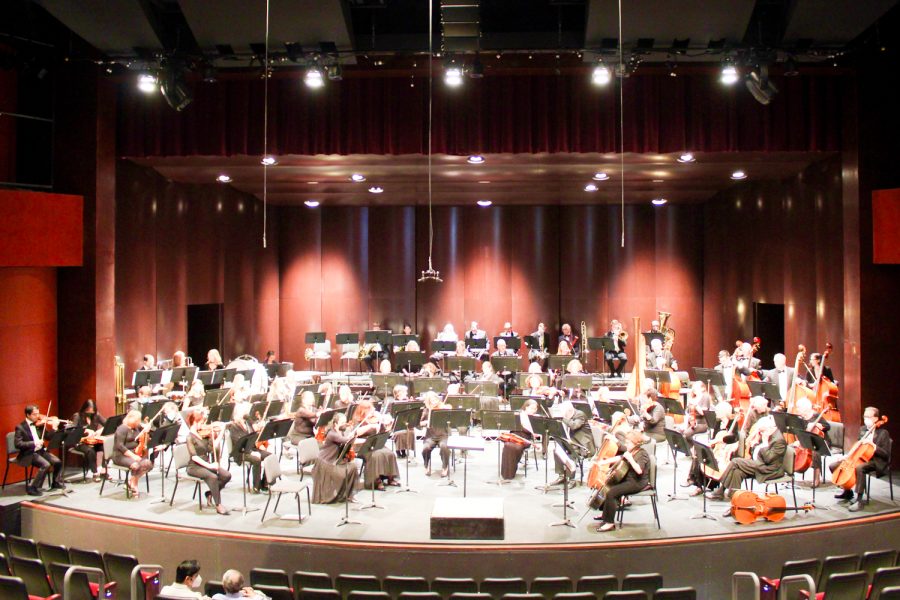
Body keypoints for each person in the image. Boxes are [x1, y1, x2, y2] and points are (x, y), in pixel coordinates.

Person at [708, 415, 786, 505]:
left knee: (735, 461)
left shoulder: (779, 440)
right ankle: (734, 503)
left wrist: (764, 443)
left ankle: (721, 490)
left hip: (769, 469)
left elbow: (768, 459)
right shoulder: (767, 433)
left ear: (769, 429)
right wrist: (755, 444)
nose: (760, 433)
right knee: (737, 472)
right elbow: (756, 451)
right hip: (759, 462)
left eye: (762, 431)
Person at [830, 406, 890, 511]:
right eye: (864, 416)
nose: (866, 419)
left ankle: (859, 501)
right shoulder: (863, 429)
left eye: (868, 417)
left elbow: (886, 454)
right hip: (860, 457)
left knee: (860, 468)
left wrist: (873, 446)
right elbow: (857, 446)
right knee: (833, 466)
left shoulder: (883, 433)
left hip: (875, 461)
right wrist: (847, 456)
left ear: (876, 419)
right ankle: (847, 492)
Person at [592, 430, 651, 532]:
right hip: (629, 478)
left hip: (637, 482)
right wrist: (603, 462)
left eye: (628, 442)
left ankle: (610, 523)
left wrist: (631, 459)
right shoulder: (632, 451)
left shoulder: (642, 454)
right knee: (608, 487)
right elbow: (620, 458)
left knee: (611, 493)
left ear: (636, 443)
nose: (626, 444)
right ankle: (605, 514)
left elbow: (639, 470)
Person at [186, 410, 232, 515]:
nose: (204, 425)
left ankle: (210, 493)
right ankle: (218, 505)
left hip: (206, 464)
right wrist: (210, 465)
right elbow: (194, 457)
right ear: (194, 423)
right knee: (213, 477)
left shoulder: (202, 435)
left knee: (226, 475)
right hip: (194, 467)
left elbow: (214, 446)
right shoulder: (189, 437)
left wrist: (222, 431)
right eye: (201, 423)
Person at [14, 406, 65, 495]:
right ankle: (32, 488)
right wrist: (34, 443)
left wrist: (54, 428)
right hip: (29, 453)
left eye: (38, 413)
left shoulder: (39, 425)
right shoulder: (20, 427)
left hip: (40, 451)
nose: (37, 416)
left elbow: (48, 437)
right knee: (46, 464)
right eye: (34, 414)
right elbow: (18, 444)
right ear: (28, 415)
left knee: (57, 462)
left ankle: (55, 482)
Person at [352, 399, 401, 490]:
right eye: (369, 410)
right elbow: (356, 432)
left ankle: (390, 478)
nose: (372, 412)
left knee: (389, 453)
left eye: (371, 409)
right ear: (363, 411)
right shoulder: (357, 419)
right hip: (363, 446)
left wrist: (388, 424)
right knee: (376, 456)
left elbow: (383, 432)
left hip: (376, 443)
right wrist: (369, 426)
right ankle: (376, 481)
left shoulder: (376, 419)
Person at [311, 412, 359, 504]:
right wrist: (354, 435)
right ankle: (341, 494)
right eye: (342, 423)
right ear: (335, 424)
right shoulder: (332, 434)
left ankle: (348, 494)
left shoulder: (340, 432)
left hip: (333, 461)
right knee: (343, 472)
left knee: (353, 467)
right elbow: (346, 441)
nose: (344, 424)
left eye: (345, 422)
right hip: (325, 463)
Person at [549, 400, 596, 486]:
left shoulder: (580, 415)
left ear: (570, 410)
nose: (563, 415)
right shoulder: (567, 416)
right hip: (571, 442)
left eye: (564, 413)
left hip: (583, 445)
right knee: (557, 450)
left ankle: (571, 479)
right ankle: (562, 475)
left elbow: (574, 426)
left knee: (570, 452)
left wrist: (563, 418)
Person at [227, 403, 271, 493]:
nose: (246, 415)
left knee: (270, 456)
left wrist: (259, 430)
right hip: (241, 452)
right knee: (256, 460)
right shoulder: (233, 427)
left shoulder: (247, 423)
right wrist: (251, 452)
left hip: (251, 448)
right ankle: (256, 486)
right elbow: (239, 442)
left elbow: (254, 436)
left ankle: (264, 483)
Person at [112, 410, 154, 496]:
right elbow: (120, 446)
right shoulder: (122, 429)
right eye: (137, 421)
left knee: (148, 464)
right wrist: (133, 456)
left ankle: (131, 481)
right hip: (120, 455)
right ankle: (134, 485)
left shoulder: (136, 427)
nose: (138, 423)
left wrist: (147, 428)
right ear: (131, 419)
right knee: (136, 465)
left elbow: (147, 432)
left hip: (134, 453)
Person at [501, 399, 538, 480]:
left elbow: (536, 433)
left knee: (516, 447)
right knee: (508, 445)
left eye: (535, 409)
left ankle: (510, 472)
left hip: (525, 438)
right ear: (526, 407)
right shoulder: (519, 414)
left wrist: (534, 433)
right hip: (514, 436)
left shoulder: (535, 418)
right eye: (532, 408)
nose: (534, 410)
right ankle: (506, 473)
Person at [71, 399, 107, 481]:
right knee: (91, 451)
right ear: (84, 409)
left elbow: (107, 424)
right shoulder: (77, 416)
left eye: (92, 411)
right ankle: (94, 473)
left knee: (106, 447)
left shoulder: (96, 415)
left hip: (92, 441)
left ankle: (104, 470)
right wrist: (85, 430)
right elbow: (73, 430)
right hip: (80, 442)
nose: (90, 413)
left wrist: (100, 430)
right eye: (88, 411)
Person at [420, 392, 451, 477]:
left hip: (443, 435)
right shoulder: (426, 411)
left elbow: (451, 417)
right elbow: (419, 423)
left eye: (435, 400)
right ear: (428, 402)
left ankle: (445, 467)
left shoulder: (443, 409)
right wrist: (426, 422)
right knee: (425, 448)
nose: (434, 402)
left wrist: (446, 409)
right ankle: (426, 465)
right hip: (430, 436)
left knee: (444, 447)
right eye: (432, 401)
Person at [389, 385, 415, 458]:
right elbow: (391, 414)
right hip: (397, 424)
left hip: (407, 424)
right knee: (399, 433)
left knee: (410, 432)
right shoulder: (393, 403)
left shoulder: (407, 401)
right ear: (398, 394)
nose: (406, 394)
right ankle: (398, 450)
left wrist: (411, 403)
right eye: (404, 392)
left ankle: (404, 450)